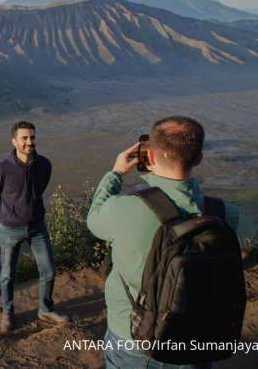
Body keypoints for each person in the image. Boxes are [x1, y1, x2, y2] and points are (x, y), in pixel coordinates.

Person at [87, 116, 240, 369]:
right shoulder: (224, 214)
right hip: (198, 339)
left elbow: (93, 220)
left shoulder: (123, 209)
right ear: (199, 159)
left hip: (134, 339)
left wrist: (115, 172)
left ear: (151, 157)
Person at [0, 121, 68, 335]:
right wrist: (10, 212)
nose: (29, 142)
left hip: (37, 227)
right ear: (14, 141)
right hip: (10, 229)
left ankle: (45, 310)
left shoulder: (44, 164)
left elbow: (40, 188)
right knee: (7, 274)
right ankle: (8, 313)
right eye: (24, 138)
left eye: (32, 137)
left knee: (48, 270)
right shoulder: (1, 169)